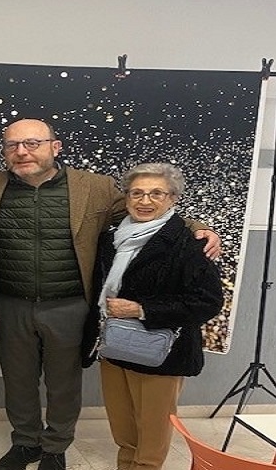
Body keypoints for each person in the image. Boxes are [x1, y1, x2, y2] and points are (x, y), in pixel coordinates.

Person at [0, 119, 221, 470]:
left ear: (55, 147)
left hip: (70, 304)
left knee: (64, 383)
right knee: (17, 379)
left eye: (32, 143)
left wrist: (199, 227)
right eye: (12, 145)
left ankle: (55, 447)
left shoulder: (94, 187)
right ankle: (25, 442)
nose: (22, 151)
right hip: (11, 303)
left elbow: (145, 209)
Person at [93, 163, 223, 470]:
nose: (145, 201)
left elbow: (207, 302)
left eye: (156, 194)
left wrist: (142, 309)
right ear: (126, 197)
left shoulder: (189, 244)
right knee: (124, 433)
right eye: (137, 193)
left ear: (172, 198)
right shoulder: (111, 240)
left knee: (151, 439)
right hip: (114, 349)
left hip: (160, 353)